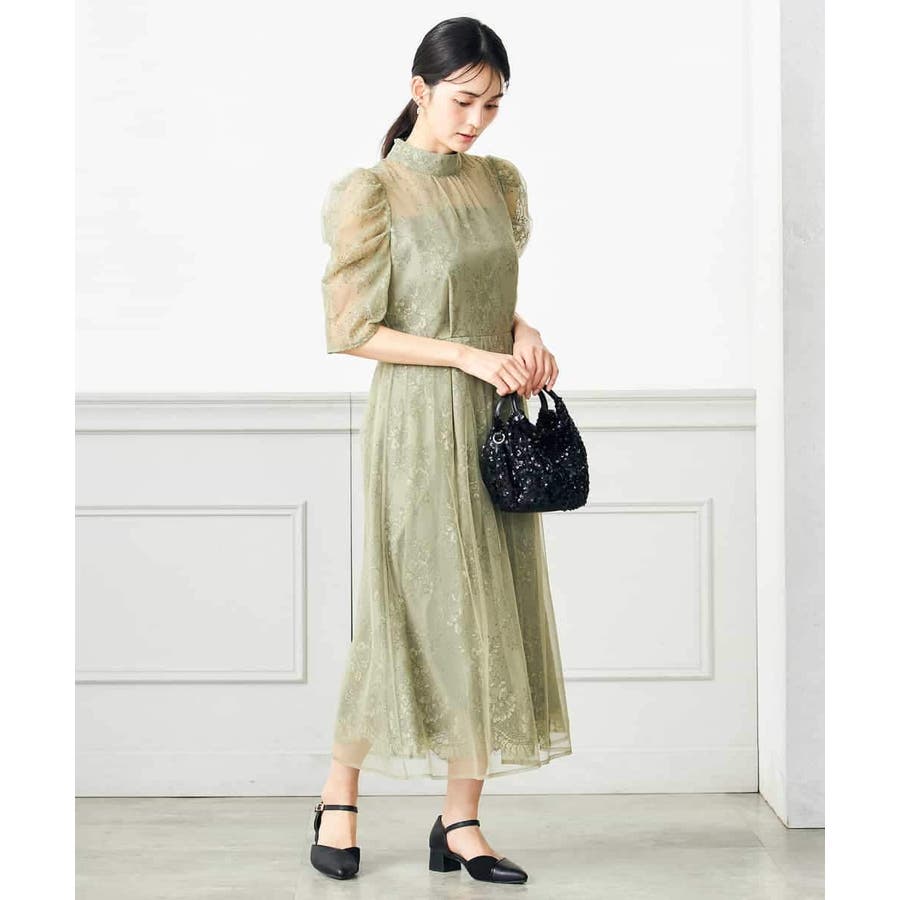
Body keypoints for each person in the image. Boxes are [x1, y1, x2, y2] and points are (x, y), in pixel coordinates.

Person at [311, 16, 573, 883]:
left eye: (493, 104)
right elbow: (353, 330)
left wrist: (523, 333)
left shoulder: (498, 181)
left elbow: (483, 291)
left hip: (495, 420)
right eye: (464, 100)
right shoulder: (372, 193)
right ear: (419, 90)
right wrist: (466, 354)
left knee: (490, 615)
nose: (477, 120)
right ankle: (339, 792)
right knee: (412, 609)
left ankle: (461, 821)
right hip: (420, 423)